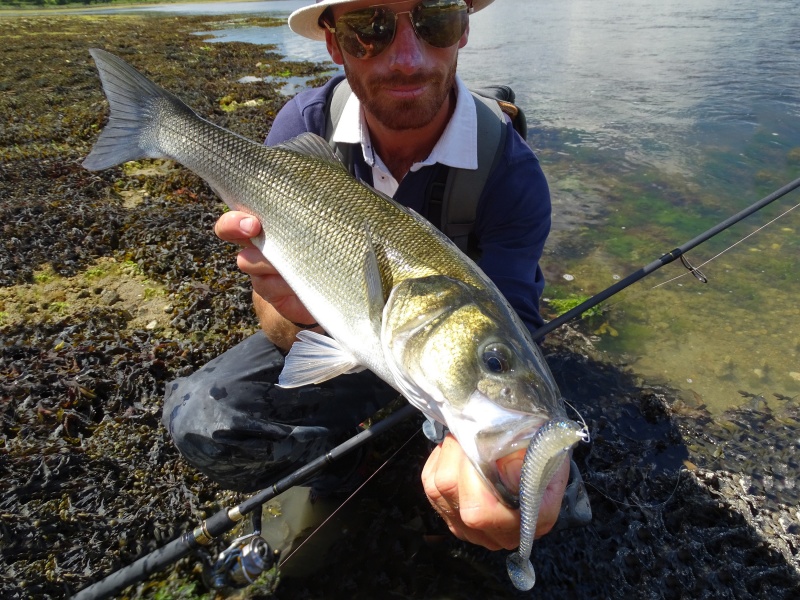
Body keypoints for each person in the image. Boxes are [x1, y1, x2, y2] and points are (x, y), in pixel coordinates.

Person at [163, 0, 582, 553]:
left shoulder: (512, 172)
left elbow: (514, 329)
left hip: (437, 359)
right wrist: (291, 306)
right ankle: (347, 466)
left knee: (547, 508)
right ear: (334, 43)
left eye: (434, 20)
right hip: (356, 336)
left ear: (462, 31)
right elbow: (274, 322)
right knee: (202, 420)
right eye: (370, 30)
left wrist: (495, 446)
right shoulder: (305, 125)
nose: (406, 57)